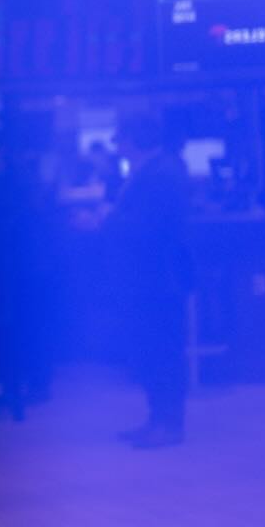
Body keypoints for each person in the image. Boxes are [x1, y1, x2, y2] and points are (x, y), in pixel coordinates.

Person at [103, 114, 193, 448]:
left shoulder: (161, 174)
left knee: (163, 351)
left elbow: (149, 228)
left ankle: (168, 425)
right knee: (152, 350)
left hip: (158, 278)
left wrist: (106, 221)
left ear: (136, 139)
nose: (118, 147)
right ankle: (158, 419)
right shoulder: (154, 170)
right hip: (151, 277)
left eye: (121, 139)